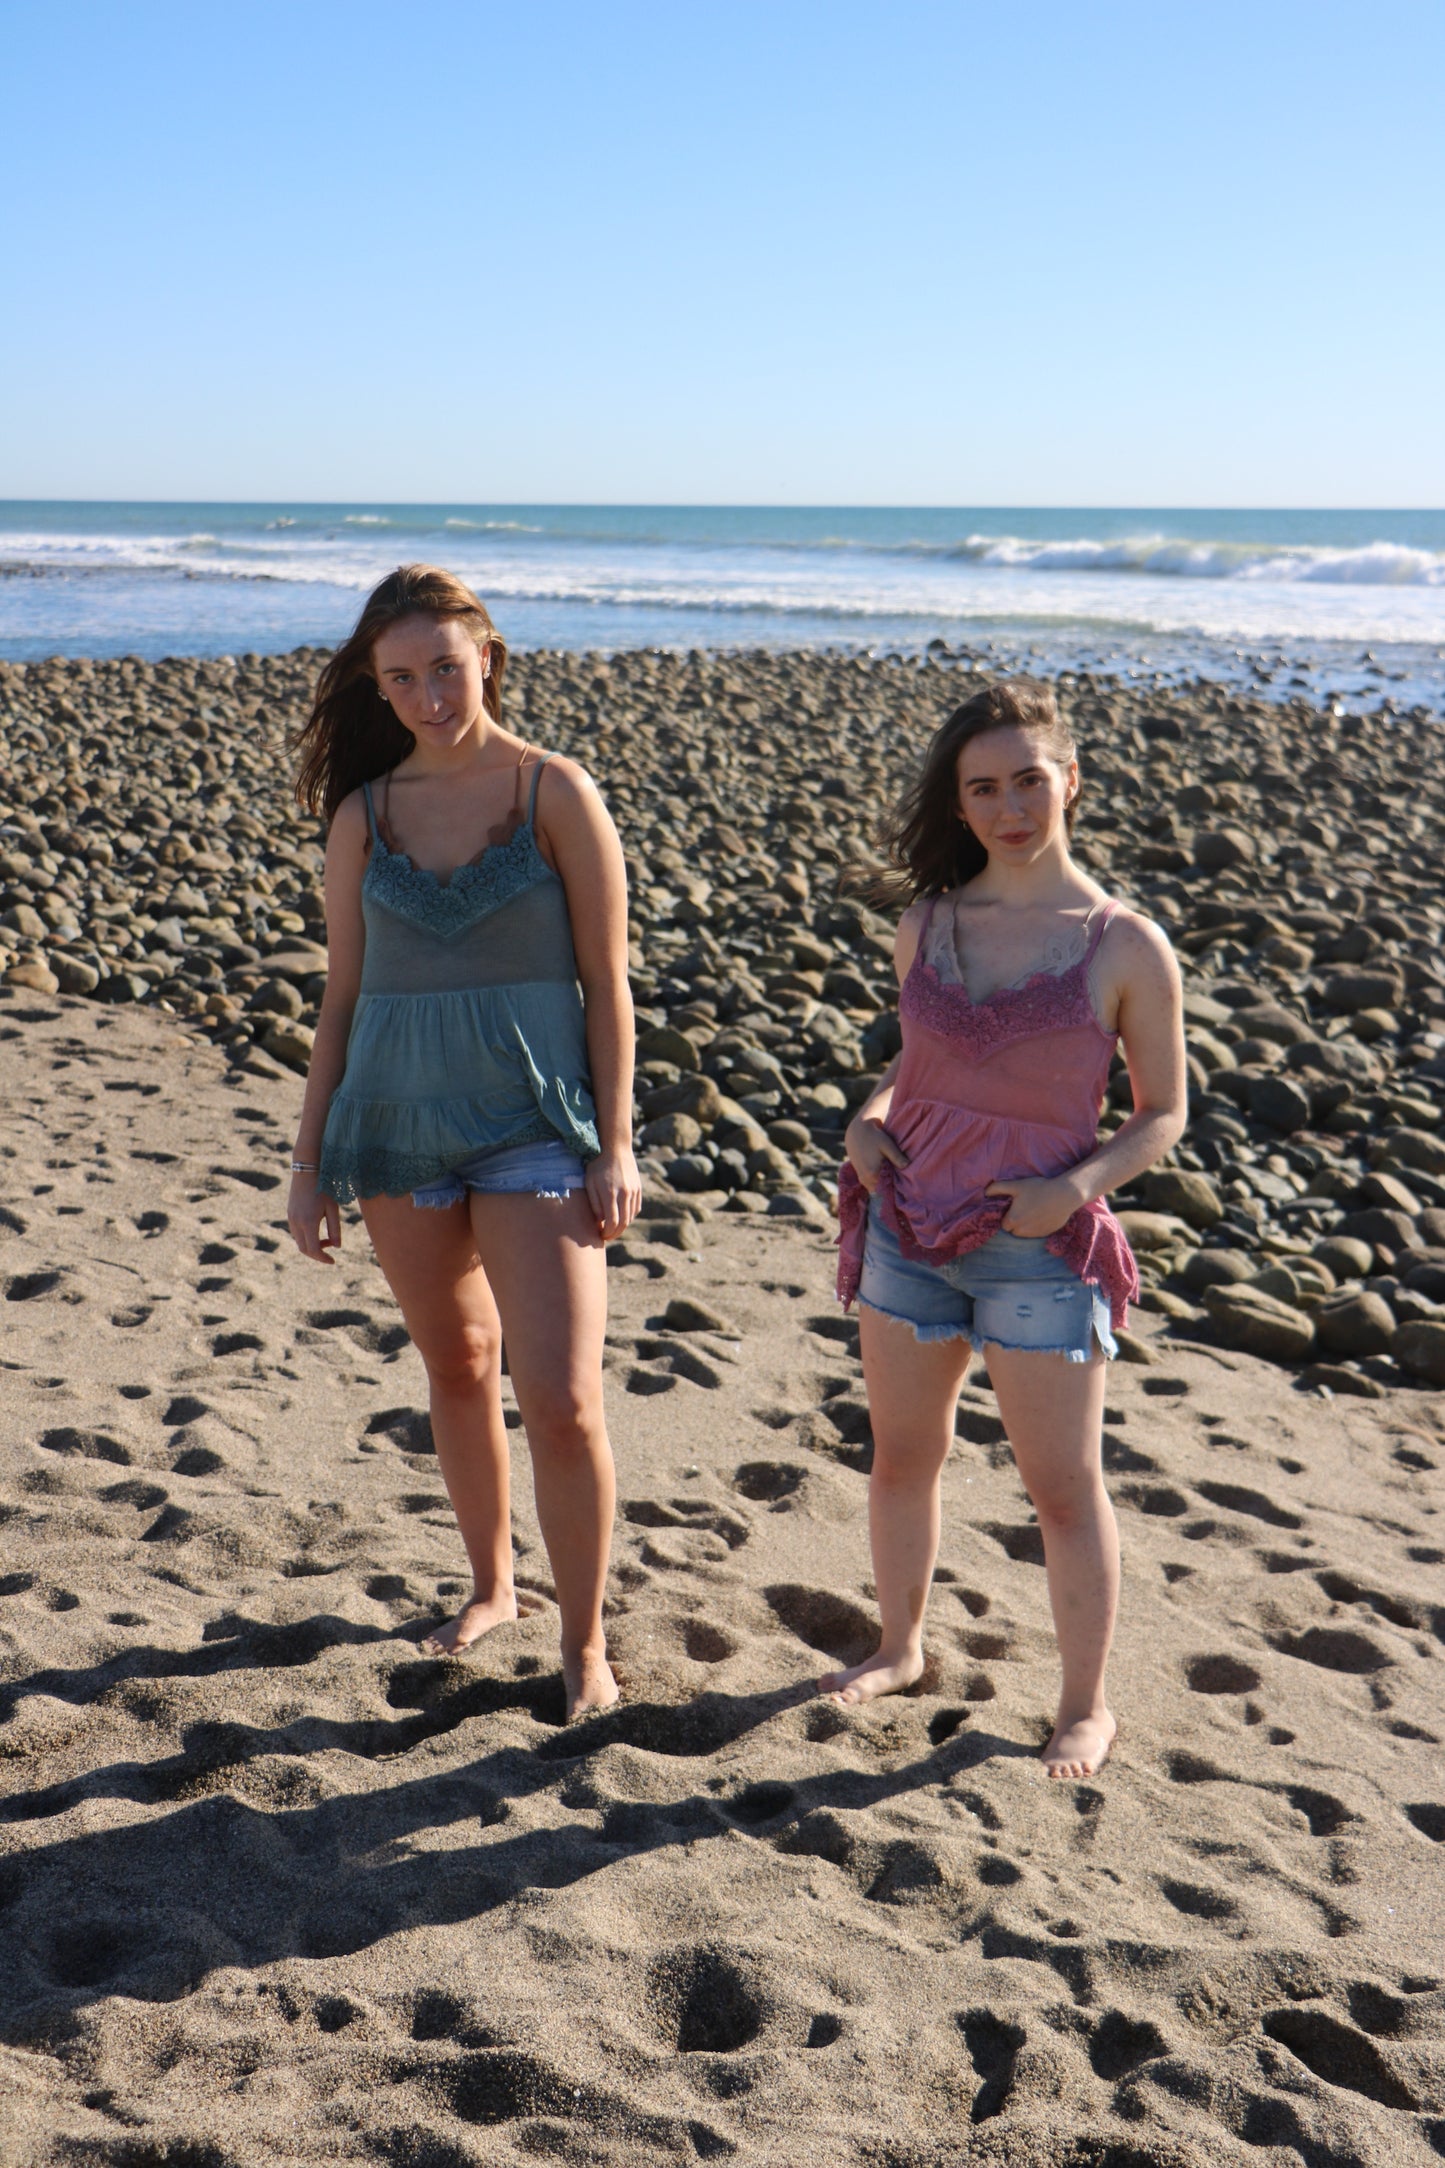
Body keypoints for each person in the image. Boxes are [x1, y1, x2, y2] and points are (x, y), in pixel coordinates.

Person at [286, 565, 639, 1721]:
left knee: (563, 1398)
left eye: (445, 664)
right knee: (455, 1369)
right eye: (402, 676)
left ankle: (582, 1644)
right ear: (378, 689)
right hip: (395, 1127)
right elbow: (342, 995)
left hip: (534, 1127)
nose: (430, 692)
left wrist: (615, 1141)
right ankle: (493, 1586)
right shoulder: (365, 814)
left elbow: (606, 980)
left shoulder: (554, 791)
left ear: (486, 651)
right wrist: (308, 1160)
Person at [829, 679, 1186, 1779]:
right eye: (982, 786)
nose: (1008, 805)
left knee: (1062, 1486)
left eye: (1028, 778)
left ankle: (1083, 1706)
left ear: (1067, 779)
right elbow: (916, 1064)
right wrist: (869, 1117)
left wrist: (1072, 1190)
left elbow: (1160, 1112)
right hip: (906, 1222)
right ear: (960, 801)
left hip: (1036, 1239)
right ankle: (899, 1646)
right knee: (901, 1454)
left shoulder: (1124, 945)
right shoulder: (925, 921)